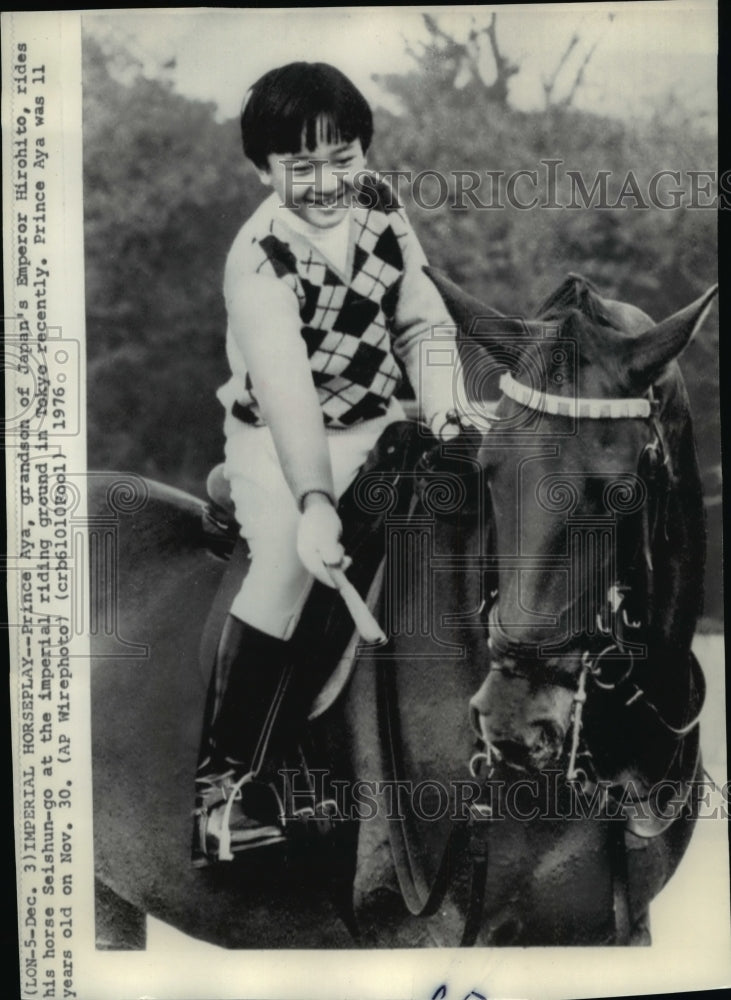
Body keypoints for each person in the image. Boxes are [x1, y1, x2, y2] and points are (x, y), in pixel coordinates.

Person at [192, 61, 467, 866]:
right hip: (280, 439)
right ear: (261, 168)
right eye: (298, 166)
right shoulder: (256, 259)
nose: (323, 183)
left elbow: (420, 321)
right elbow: (286, 394)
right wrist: (313, 501)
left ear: (363, 152)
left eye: (340, 159)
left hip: (380, 421)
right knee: (285, 567)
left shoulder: (380, 202)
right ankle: (227, 789)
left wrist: (447, 406)